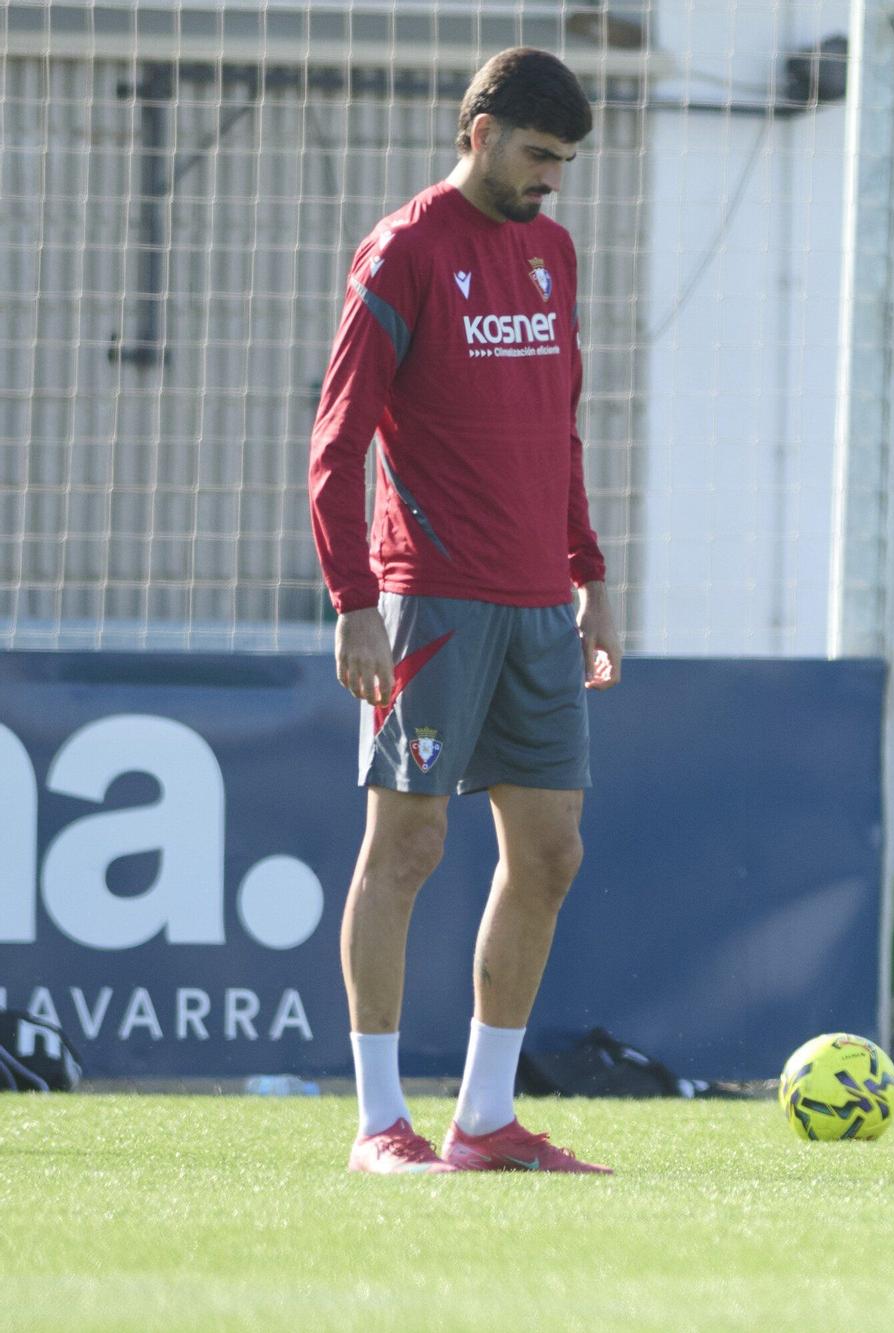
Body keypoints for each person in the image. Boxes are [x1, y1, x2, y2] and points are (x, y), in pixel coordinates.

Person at [308, 47, 622, 1175]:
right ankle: (377, 1122)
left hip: (541, 603)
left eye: (567, 163)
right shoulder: (404, 251)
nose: (552, 181)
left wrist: (589, 573)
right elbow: (335, 443)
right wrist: (353, 601)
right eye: (540, 155)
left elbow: (560, 427)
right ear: (478, 130)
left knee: (550, 853)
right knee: (409, 844)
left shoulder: (553, 250)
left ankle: (485, 1119)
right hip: (430, 600)